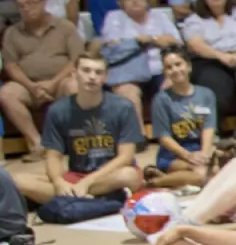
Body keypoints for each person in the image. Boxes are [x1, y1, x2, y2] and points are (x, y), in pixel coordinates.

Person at [17, 56, 144, 204]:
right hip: (76, 174)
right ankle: (83, 196)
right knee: (18, 180)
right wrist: (58, 182)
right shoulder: (57, 110)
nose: (92, 77)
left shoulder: (123, 107)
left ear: (105, 77)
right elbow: (53, 156)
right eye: (86, 70)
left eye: (98, 72)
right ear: (74, 73)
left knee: (129, 176)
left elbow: (125, 157)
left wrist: (88, 182)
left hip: (109, 175)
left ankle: (67, 197)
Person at [2, 0, 89, 152]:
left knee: (74, 86)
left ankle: (75, 140)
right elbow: (10, 65)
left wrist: (53, 83)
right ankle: (37, 143)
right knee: (6, 93)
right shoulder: (12, 32)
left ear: (42, 3)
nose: (26, 8)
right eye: (21, 6)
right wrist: (31, 86)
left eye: (30, 3)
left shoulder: (65, 27)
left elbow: (77, 59)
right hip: (29, 86)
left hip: (61, 81)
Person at [145, 51, 219, 189]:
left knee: (218, 171)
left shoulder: (206, 94)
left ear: (189, 66)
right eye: (169, 67)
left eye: (178, 64)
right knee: (202, 174)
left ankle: (170, 179)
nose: (175, 70)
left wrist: (204, 153)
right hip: (173, 153)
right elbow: (163, 137)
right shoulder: (161, 100)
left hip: (200, 147)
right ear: (165, 72)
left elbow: (209, 127)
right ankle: (155, 182)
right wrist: (188, 156)